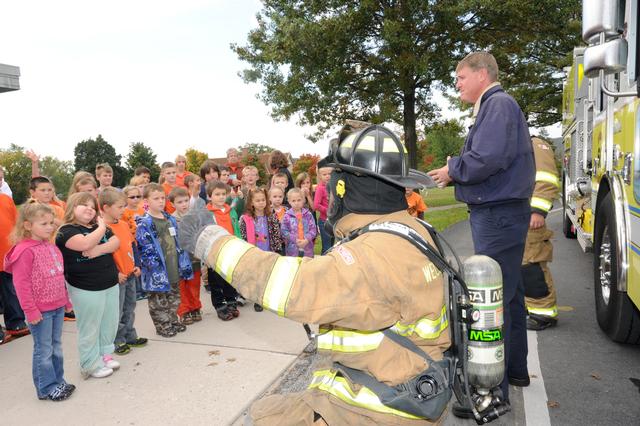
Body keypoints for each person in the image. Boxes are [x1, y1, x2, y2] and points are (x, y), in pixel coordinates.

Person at [180, 123, 450, 425]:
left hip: (379, 408)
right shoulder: (414, 230)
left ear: (344, 187)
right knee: (263, 412)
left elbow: (291, 285)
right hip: (393, 382)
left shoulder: (371, 252)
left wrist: (209, 240)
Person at [427, 51, 535, 412]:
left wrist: (452, 170)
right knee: (511, 293)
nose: (456, 84)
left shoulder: (497, 105)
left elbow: (486, 158)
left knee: (492, 303)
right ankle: (515, 370)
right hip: (505, 213)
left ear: (482, 74)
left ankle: (491, 394)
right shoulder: (496, 106)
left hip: (497, 215)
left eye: (460, 76)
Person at [4, 202, 75, 401]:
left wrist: (66, 301)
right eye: (43, 223)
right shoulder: (24, 251)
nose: (50, 227)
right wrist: (30, 310)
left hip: (57, 305)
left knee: (56, 346)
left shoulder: (50, 247)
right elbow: (21, 284)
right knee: (43, 349)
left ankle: (58, 381)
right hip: (40, 311)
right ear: (27, 226)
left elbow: (59, 275)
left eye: (51, 223)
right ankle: (46, 387)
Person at [55, 192, 121, 379]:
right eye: (83, 204)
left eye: (92, 207)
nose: (89, 209)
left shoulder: (95, 226)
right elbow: (84, 243)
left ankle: (105, 355)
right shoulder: (66, 230)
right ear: (72, 207)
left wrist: (99, 249)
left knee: (108, 323)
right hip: (86, 287)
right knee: (90, 327)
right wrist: (102, 227)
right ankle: (90, 364)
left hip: (109, 282)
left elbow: (116, 242)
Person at [136, 183, 192, 338]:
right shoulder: (145, 223)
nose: (160, 201)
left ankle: (173, 320)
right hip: (157, 271)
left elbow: (177, 241)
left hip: (173, 265)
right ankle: (162, 325)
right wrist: (153, 267)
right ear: (146, 200)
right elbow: (144, 248)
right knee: (159, 301)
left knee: (174, 297)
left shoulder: (170, 219)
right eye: (156, 198)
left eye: (162, 198)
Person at [99, 189, 147, 355]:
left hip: (131, 273)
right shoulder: (102, 229)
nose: (123, 210)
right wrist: (114, 273)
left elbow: (132, 245)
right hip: (117, 277)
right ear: (106, 207)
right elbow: (103, 256)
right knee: (116, 311)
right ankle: (117, 340)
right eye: (120, 207)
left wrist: (138, 264)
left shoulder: (124, 224)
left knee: (130, 307)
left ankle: (129, 335)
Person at [522, 136, 560, 330]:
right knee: (523, 265)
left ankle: (543, 314)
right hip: (517, 215)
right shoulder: (516, 142)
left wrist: (537, 211)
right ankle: (531, 306)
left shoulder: (534, 143)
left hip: (530, 217)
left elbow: (547, 177)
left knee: (532, 265)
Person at [239, 187, 283, 312]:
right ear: (251, 202)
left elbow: (276, 234)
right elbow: (243, 235)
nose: (261, 203)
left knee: (267, 275)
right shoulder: (246, 219)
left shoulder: (271, 216)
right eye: (257, 200)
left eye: (263, 200)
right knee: (256, 276)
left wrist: (277, 249)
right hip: (254, 253)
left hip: (268, 251)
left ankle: (267, 297)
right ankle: (257, 299)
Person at [205, 181, 241, 321]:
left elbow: (236, 228)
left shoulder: (230, 210)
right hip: (214, 253)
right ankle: (220, 305)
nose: (221, 197)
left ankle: (231, 302)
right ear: (209, 196)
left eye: (223, 194)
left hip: (231, 250)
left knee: (230, 279)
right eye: (217, 194)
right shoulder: (206, 213)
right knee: (216, 281)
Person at [169, 187, 203, 324]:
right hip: (179, 260)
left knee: (194, 284)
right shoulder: (171, 220)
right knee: (182, 286)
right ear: (172, 204)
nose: (184, 204)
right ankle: (184, 311)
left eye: (186, 201)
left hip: (193, 257)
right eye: (179, 202)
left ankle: (195, 307)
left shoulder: (195, 216)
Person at [0, 193, 30, 343]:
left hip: (6, 254)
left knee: (11, 290)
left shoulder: (6, 199)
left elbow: (16, 223)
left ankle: (16, 323)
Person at [281, 188, 317, 258]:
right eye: (293, 201)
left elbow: (313, 230)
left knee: (306, 267)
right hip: (292, 250)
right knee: (294, 267)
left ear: (303, 200)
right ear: (289, 201)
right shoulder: (287, 216)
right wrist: (295, 239)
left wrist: (306, 240)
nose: (296, 203)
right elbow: (284, 231)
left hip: (307, 249)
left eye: (299, 200)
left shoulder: (308, 214)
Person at [314, 166, 334, 254]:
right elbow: (316, 205)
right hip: (324, 221)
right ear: (320, 176)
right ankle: (323, 265)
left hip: (334, 220)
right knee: (327, 247)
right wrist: (328, 211)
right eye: (324, 174)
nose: (327, 176)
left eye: (329, 174)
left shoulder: (335, 186)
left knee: (334, 246)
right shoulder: (320, 188)